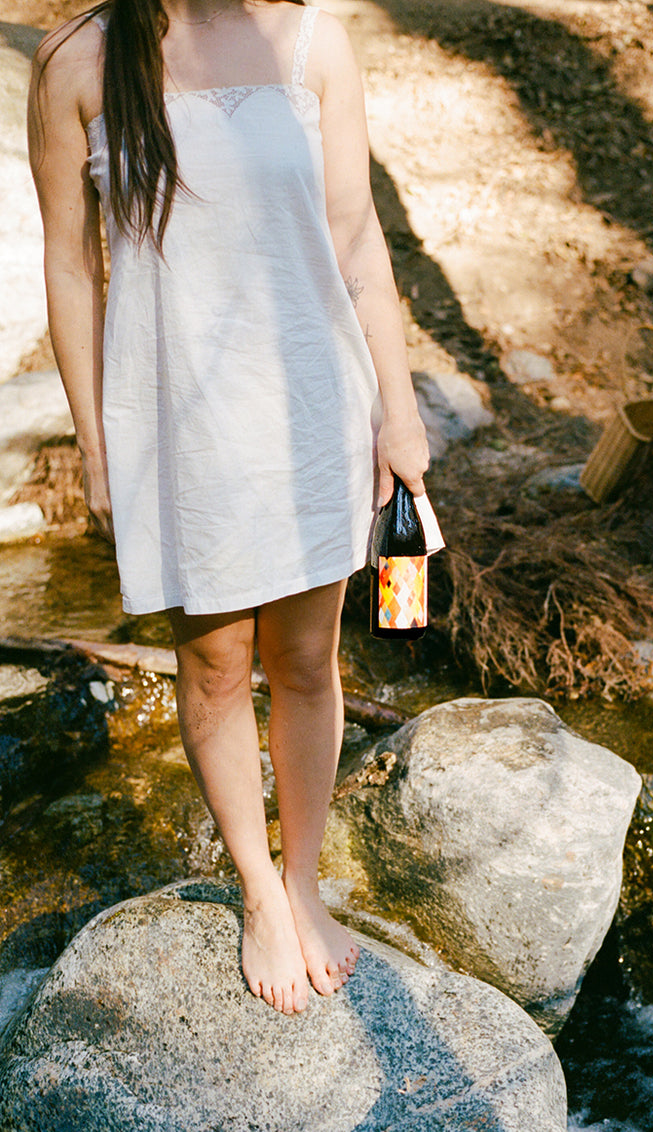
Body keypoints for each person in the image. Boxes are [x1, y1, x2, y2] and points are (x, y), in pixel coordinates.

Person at [28, 0, 429, 1016]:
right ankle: (258, 890)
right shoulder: (79, 60)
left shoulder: (312, 41)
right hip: (180, 425)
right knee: (213, 667)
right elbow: (70, 270)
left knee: (305, 662)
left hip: (312, 409)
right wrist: (95, 439)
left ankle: (304, 879)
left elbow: (358, 241)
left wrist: (401, 411)